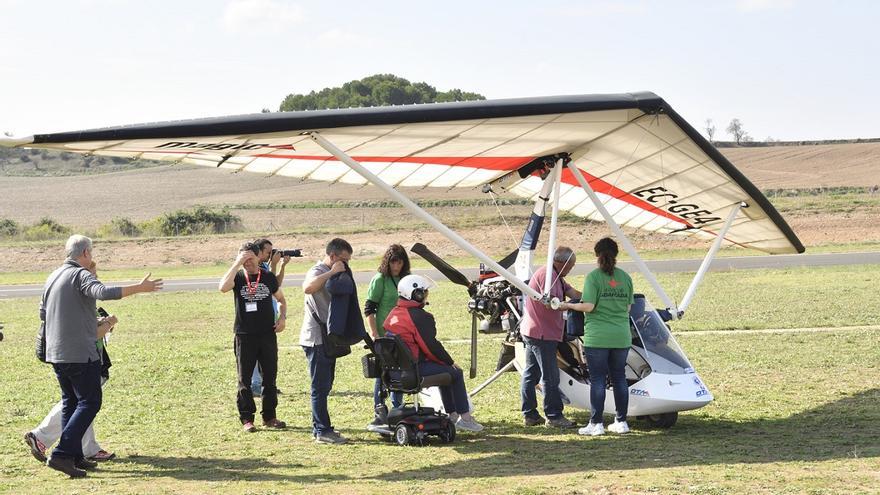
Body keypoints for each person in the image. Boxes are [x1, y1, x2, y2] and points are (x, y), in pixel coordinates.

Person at [41, 235, 162, 478]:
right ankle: (63, 454)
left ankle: (73, 456)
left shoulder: (53, 276)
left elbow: (44, 313)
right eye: (91, 253)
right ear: (85, 253)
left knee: (71, 403)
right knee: (90, 401)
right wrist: (140, 288)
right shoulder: (80, 274)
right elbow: (103, 292)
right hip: (79, 353)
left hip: (57, 352)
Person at [25, 261, 117, 464]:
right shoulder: (79, 289)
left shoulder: (65, 286)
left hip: (72, 353)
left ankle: (85, 448)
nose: (95, 277)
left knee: (81, 401)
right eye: (92, 273)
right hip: (80, 356)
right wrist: (109, 322)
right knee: (81, 402)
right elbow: (90, 332)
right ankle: (43, 437)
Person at [384, 274, 484, 432]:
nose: (425, 295)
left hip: (394, 373)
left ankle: (452, 415)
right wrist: (450, 362)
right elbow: (431, 347)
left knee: (443, 368)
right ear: (416, 294)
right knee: (455, 373)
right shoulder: (419, 317)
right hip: (413, 371)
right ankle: (464, 418)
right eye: (424, 292)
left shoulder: (393, 314)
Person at [559, 237, 634, 436]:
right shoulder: (625, 278)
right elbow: (627, 308)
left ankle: (596, 423)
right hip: (621, 336)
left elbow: (589, 306)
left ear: (597, 255)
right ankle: (621, 421)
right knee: (619, 378)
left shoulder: (593, 277)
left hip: (598, 337)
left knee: (598, 379)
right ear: (616, 255)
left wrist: (569, 305)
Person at [219, 242, 287, 432]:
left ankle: (269, 416)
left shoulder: (267, 277)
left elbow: (281, 300)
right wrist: (236, 263)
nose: (247, 262)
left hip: (267, 334)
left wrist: (282, 318)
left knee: (270, 378)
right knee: (244, 379)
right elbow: (223, 288)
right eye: (243, 259)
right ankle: (247, 419)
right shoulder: (238, 276)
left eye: (250, 258)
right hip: (244, 335)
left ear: (259, 257)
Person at [519, 246, 581, 428]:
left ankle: (530, 414)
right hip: (542, 334)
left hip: (532, 330)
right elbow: (553, 304)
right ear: (561, 262)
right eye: (570, 265)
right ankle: (554, 416)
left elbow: (573, 293)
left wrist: (593, 300)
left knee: (531, 373)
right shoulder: (549, 277)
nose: (571, 269)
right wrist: (573, 307)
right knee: (550, 376)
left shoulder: (556, 276)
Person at [301, 238, 352, 444]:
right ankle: (322, 430)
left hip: (327, 339)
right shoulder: (317, 270)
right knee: (319, 387)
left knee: (326, 385)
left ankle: (320, 427)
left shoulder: (337, 271)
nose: (346, 264)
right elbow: (308, 288)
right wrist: (332, 272)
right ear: (332, 256)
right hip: (315, 339)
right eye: (344, 259)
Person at [363, 244, 409, 430]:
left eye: (399, 262)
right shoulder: (380, 279)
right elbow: (369, 309)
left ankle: (397, 409)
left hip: (403, 335)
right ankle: (379, 410)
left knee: (401, 372)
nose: (396, 266)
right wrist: (374, 334)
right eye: (393, 262)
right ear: (387, 262)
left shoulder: (406, 279)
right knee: (382, 374)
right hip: (384, 336)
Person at [250, 238, 290, 397]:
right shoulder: (255, 267)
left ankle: (266, 384)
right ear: (258, 252)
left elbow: (275, 285)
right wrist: (274, 265)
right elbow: (266, 282)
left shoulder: (265, 266)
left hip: (269, 313)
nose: (269, 254)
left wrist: (282, 266)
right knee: (255, 352)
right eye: (267, 252)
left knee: (267, 353)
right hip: (257, 317)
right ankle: (256, 384)